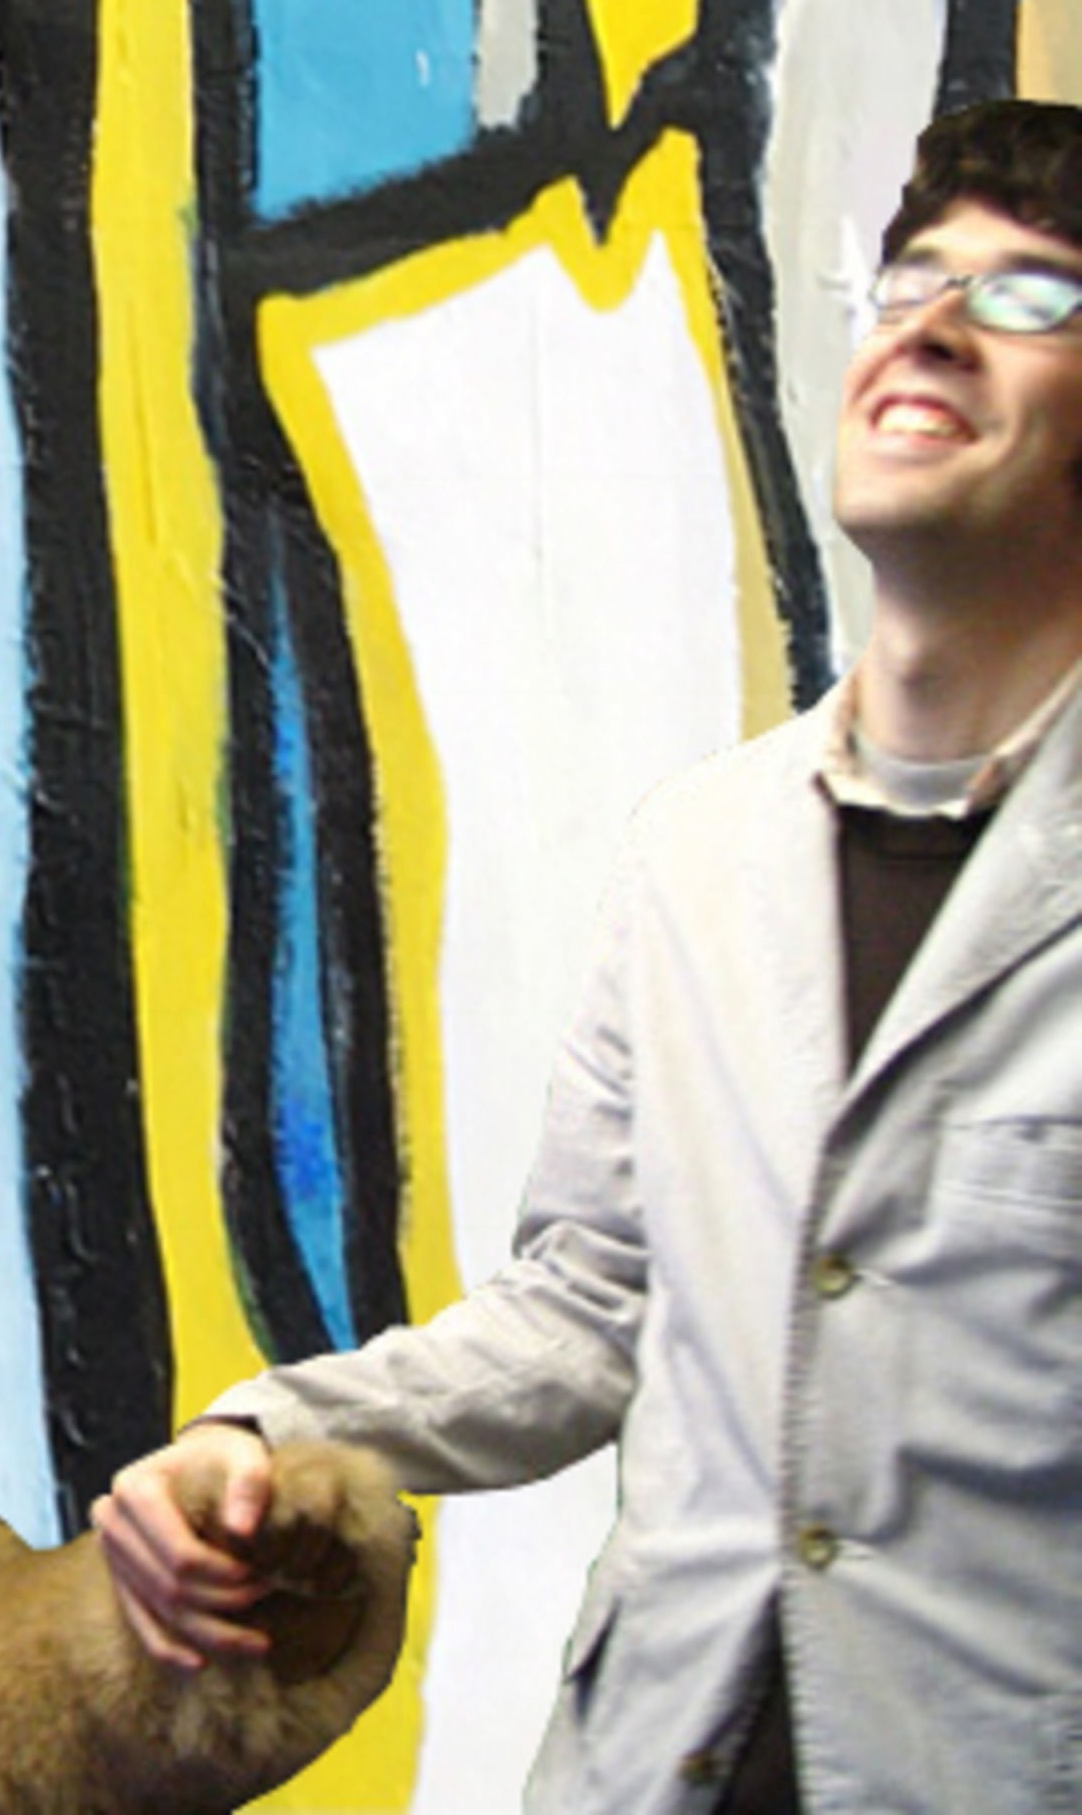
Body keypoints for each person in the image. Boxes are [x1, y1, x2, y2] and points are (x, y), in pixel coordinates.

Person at [94, 96, 1082, 1815]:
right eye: (916, 278)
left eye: (1028, 298)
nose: (933, 322)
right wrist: (261, 1432)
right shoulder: (700, 857)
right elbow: (588, 1307)